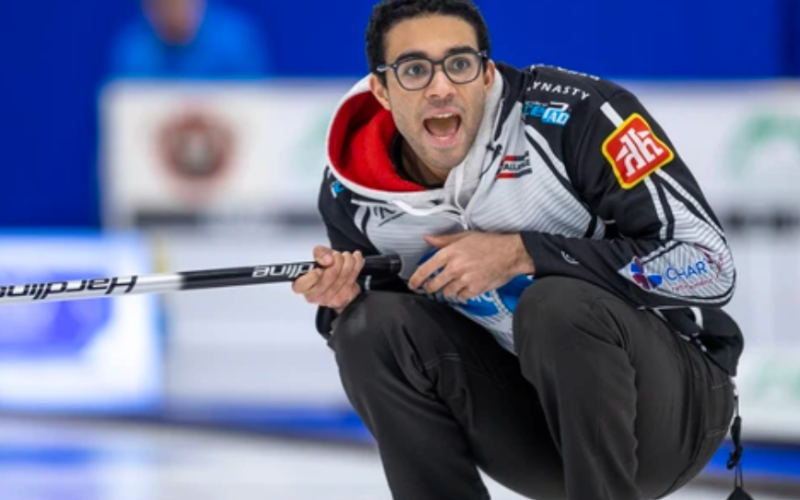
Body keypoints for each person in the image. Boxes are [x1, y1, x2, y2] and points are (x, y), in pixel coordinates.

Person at [292, 1, 746, 499]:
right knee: (366, 326)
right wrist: (340, 301)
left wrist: (524, 252)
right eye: (415, 69)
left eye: (459, 64)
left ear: (487, 75)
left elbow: (710, 267)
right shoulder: (354, 192)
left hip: (672, 415)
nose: (441, 88)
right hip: (534, 431)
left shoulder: (576, 117)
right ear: (382, 88)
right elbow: (390, 336)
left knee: (556, 305)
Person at [110, 0, 270, 79]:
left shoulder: (236, 41)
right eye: (160, 5)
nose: (171, 12)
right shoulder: (133, 49)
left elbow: (256, 106)